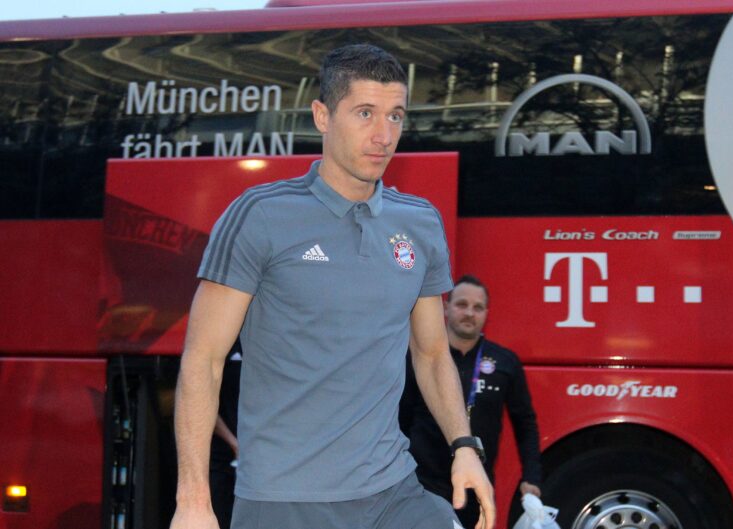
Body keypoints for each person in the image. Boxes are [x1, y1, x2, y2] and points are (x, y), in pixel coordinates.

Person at [169, 44, 495, 529]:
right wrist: (193, 500)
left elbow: (430, 355)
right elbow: (204, 359)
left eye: (395, 115)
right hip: (285, 501)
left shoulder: (420, 222)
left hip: (393, 492)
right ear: (322, 116)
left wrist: (463, 445)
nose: (383, 135)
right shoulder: (260, 215)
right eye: (365, 113)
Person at [401, 275, 543, 529]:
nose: (469, 313)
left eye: (478, 307)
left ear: (487, 313)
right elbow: (401, 417)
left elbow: (525, 425)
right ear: (446, 308)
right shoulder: (421, 360)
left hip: (475, 485)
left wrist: (531, 477)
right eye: (461, 304)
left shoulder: (505, 362)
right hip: (422, 483)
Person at [209, 339, 242, 529]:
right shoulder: (221, 344)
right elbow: (201, 402)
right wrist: (233, 443)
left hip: (255, 458)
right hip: (220, 459)